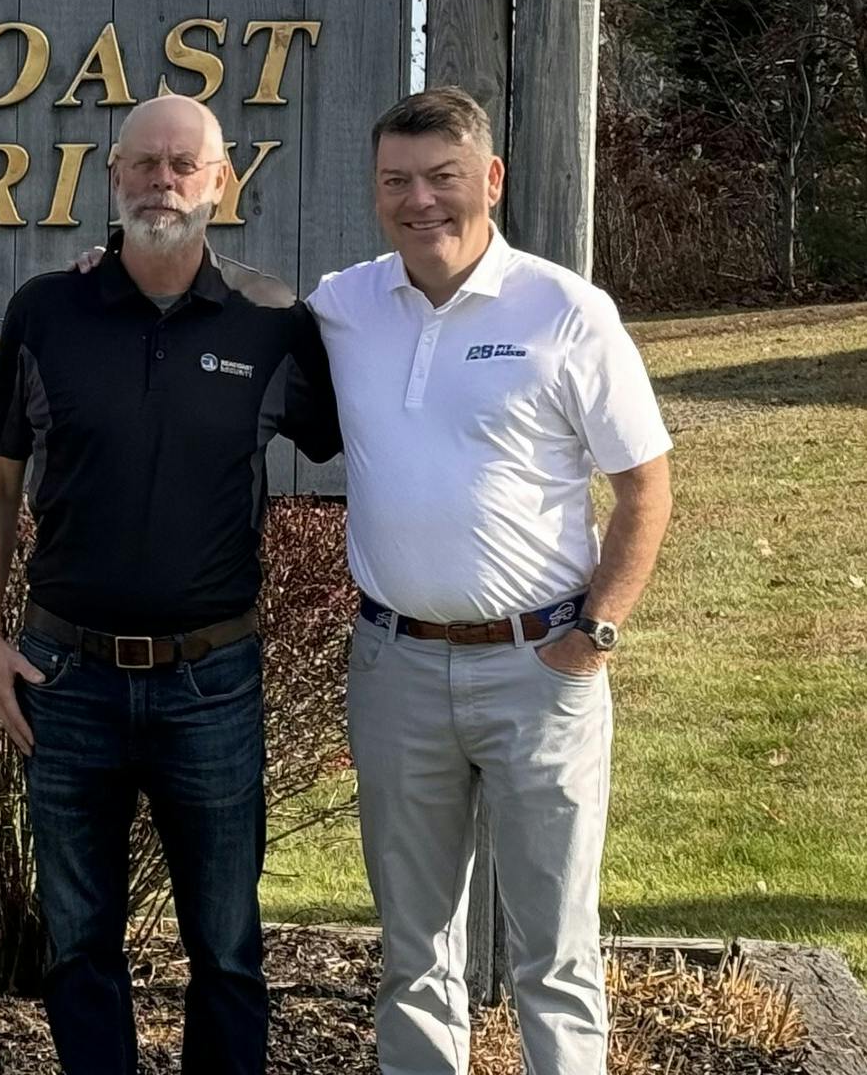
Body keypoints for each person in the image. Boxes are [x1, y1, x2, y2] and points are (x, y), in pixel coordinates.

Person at [0, 93, 340, 1075]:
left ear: (221, 182)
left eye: (184, 164)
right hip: (62, 675)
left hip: (209, 682)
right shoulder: (45, 310)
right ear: (111, 176)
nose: (162, 181)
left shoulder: (273, 324)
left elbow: (371, 428)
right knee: (78, 944)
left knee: (224, 949)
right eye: (142, 163)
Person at [307, 86, 674, 1074]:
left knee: (551, 951)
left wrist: (593, 633)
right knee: (412, 951)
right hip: (394, 667)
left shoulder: (564, 311)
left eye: (441, 178)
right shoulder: (344, 305)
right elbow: (229, 298)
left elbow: (643, 487)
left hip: (540, 668)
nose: (418, 201)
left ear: (489, 180)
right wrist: (120, 264)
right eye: (396, 182)